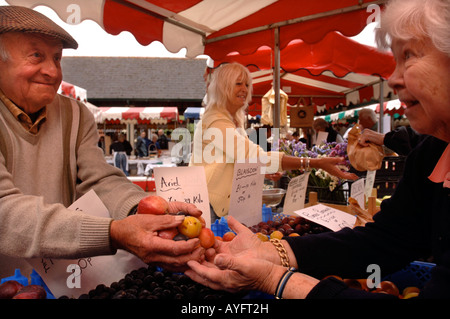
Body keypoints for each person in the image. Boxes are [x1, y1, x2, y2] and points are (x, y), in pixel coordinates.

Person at [186, 0, 450, 298]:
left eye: (409, 56)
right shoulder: (432, 154)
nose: (393, 78)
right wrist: (277, 252)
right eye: (238, 84)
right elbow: (388, 238)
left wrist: (279, 278)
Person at [0, 6, 204, 279]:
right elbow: (5, 213)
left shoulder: (74, 114)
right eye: (36, 55)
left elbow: (100, 180)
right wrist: (112, 233)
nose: (52, 71)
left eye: (57, 58)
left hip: (63, 278)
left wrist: (143, 210)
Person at [189, 62, 358, 221]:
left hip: (219, 205)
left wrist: (262, 171)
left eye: (247, 85)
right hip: (208, 205)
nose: (245, 89)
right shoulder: (216, 120)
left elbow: (238, 159)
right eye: (238, 84)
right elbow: (254, 156)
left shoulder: (233, 119)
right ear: (223, 87)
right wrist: (316, 163)